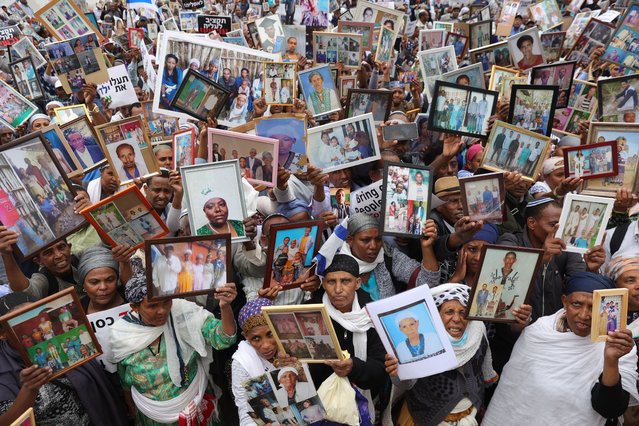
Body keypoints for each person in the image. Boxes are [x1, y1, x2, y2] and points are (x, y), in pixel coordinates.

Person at [483, 272, 639, 425]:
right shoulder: (539, 332)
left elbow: (610, 410)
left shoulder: (619, 343)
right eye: (576, 304)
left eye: (594, 307)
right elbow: (514, 393)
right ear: (564, 301)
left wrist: (611, 360)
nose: (584, 315)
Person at [108, 270, 238, 425]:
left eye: (166, 302)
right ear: (134, 307)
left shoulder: (184, 314)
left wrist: (225, 307)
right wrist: (131, 406)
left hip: (197, 406)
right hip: (153, 416)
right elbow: (125, 382)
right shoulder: (122, 334)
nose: (162, 310)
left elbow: (224, 339)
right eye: (153, 305)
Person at [385, 283, 522, 425]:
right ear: (437, 316)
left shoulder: (478, 334)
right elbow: (407, 383)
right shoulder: (424, 343)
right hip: (428, 418)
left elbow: (484, 372)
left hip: (471, 414)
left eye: (462, 313)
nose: (456, 319)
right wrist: (397, 371)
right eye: (449, 312)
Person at [0, 292, 129, 425]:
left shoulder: (60, 339)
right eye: (21, 324)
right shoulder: (5, 370)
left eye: (36, 317)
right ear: (3, 334)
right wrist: (29, 389)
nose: (35, 325)